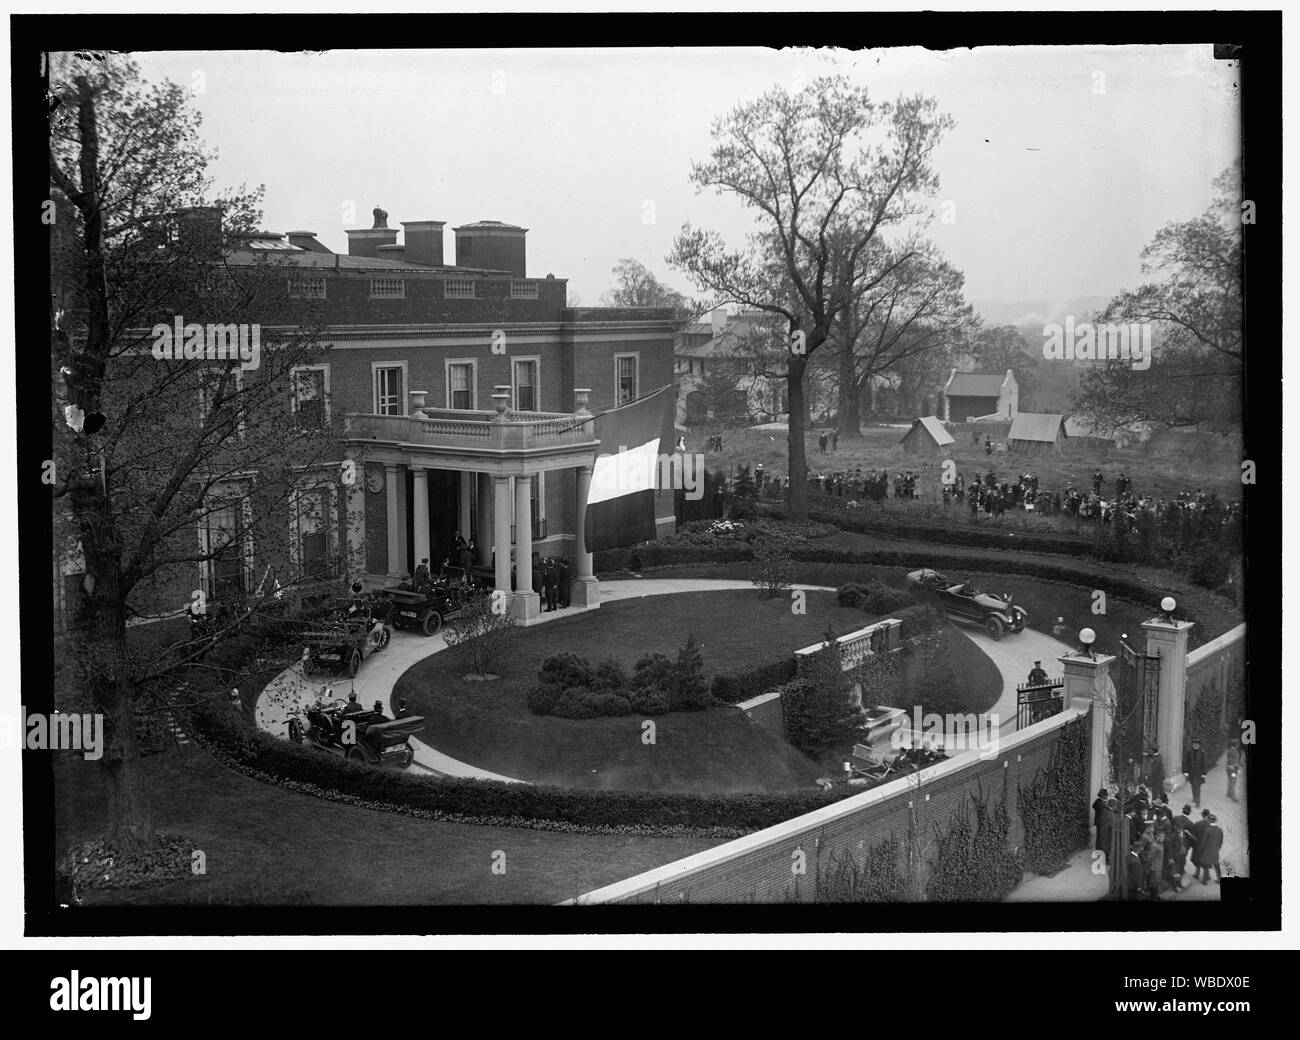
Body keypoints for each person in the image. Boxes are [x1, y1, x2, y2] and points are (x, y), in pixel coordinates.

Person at [1194, 813, 1224, 884]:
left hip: (1206, 851)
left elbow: (1203, 842)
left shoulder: (1207, 829)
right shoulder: (1219, 830)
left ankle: (1205, 880)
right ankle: (1219, 879)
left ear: (1210, 821)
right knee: (1216, 864)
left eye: (1208, 819)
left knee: (1206, 864)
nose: (1207, 820)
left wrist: (1200, 850)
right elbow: (1221, 842)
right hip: (1215, 851)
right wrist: (1217, 849)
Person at [1184, 739, 1207, 807]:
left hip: (1199, 772)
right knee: (1193, 785)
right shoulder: (1189, 752)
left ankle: (1198, 801)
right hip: (1191, 772)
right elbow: (1186, 762)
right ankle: (1194, 797)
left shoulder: (1202, 753)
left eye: (1197, 744)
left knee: (1197, 786)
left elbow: (1204, 763)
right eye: (1194, 744)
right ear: (1192, 745)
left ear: (1199, 745)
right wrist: (1186, 771)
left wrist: (1204, 773)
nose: (1195, 745)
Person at [1093, 788, 1111, 860]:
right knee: (1100, 839)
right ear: (1101, 795)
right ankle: (1099, 855)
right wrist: (1106, 805)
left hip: (1104, 823)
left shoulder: (1105, 802)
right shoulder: (1098, 802)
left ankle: (1102, 854)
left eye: (1106, 795)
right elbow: (1097, 807)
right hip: (1100, 823)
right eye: (1104, 795)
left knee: (1103, 839)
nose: (1106, 796)